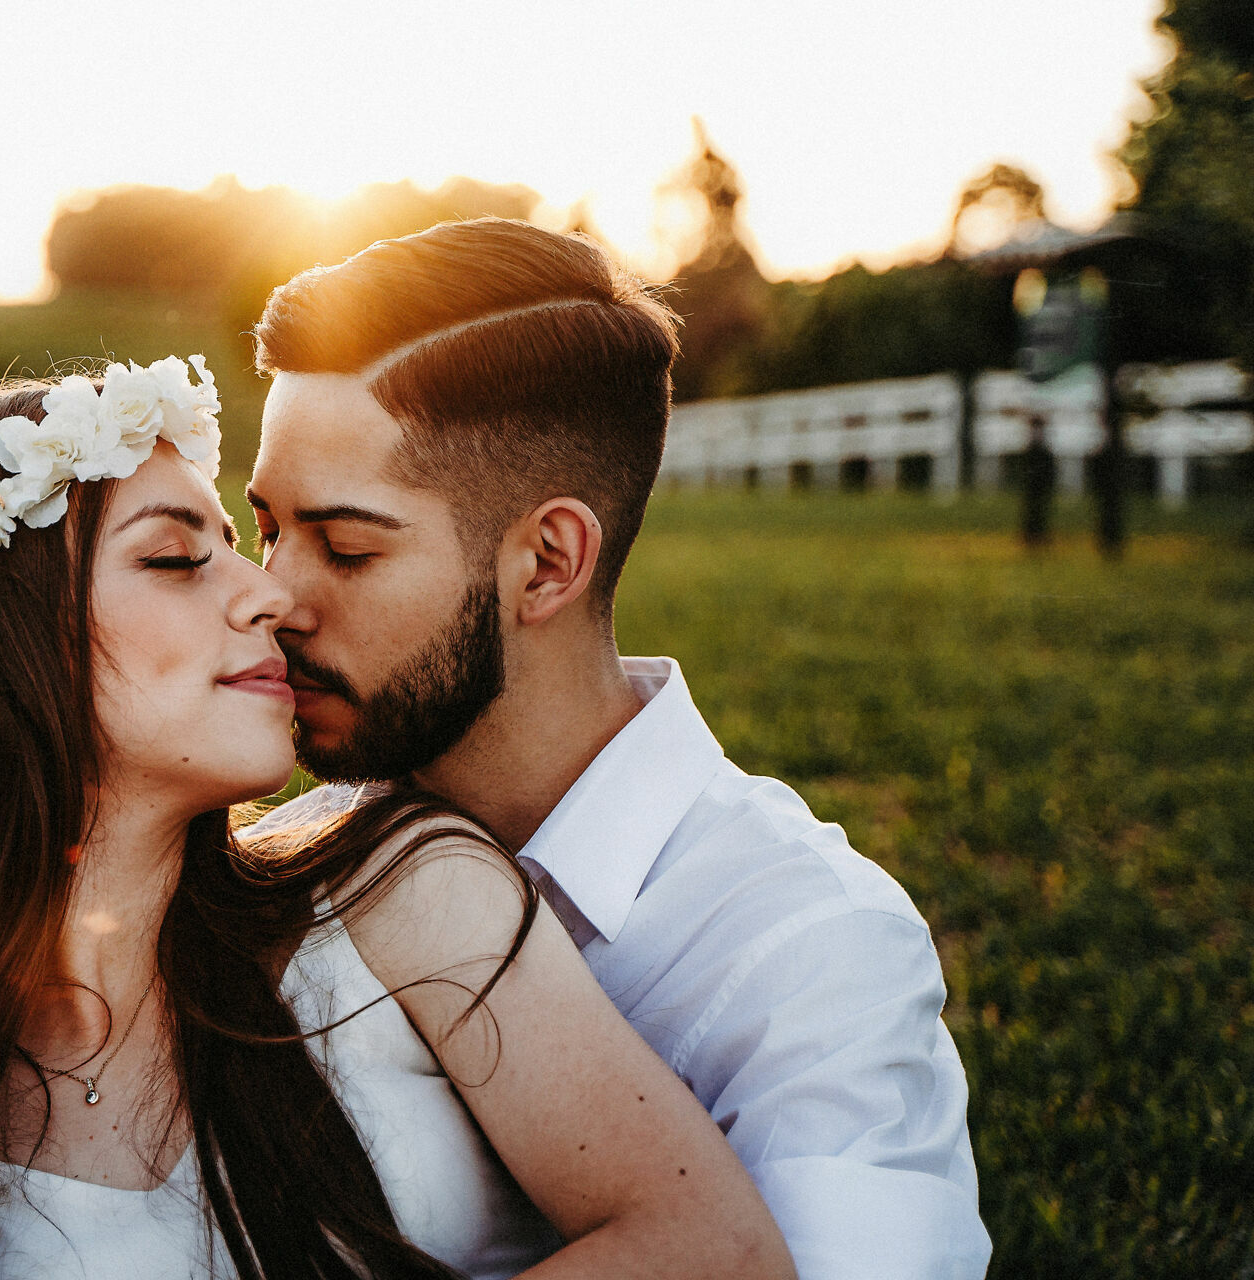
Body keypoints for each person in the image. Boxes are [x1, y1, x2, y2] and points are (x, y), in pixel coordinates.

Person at [0, 360, 794, 1279]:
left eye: (231, 543)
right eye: (173, 557)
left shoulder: (404, 901)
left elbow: (716, 1249)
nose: (263, 593)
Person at [243, 218, 994, 1280]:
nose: (272, 593)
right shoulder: (290, 856)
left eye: (347, 547)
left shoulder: (808, 952)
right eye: (264, 523)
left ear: (548, 562)